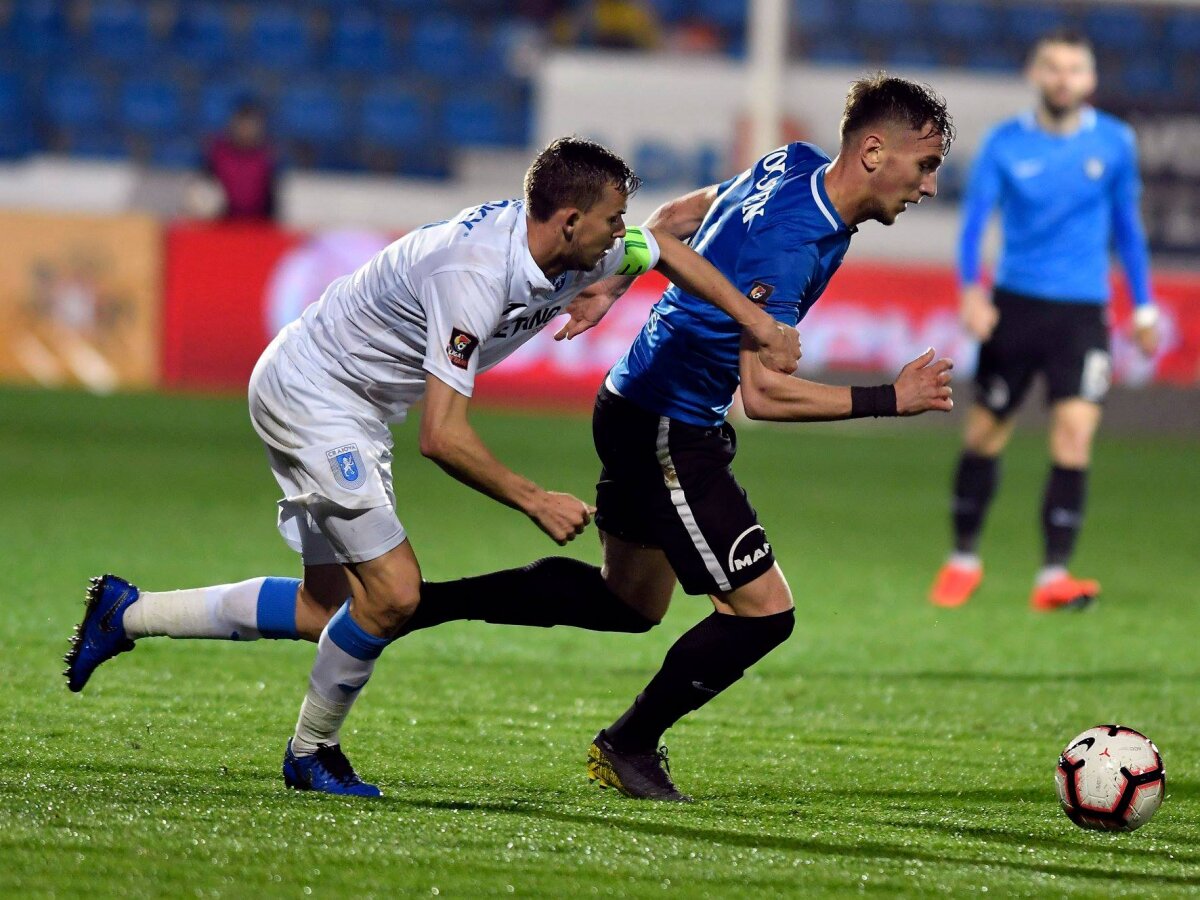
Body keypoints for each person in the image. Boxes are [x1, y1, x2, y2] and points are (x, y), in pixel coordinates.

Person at [64, 137, 800, 797]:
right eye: (612, 219)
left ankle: (126, 611)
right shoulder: (474, 272)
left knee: (327, 610)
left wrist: (749, 320)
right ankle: (311, 753)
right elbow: (442, 437)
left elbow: (665, 247)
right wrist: (532, 497)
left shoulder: (587, 245)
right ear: (569, 219)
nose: (622, 233)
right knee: (392, 594)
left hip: (350, 401)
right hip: (315, 391)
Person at [928, 32, 1160, 612]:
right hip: (1016, 307)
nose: (1063, 78)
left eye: (1074, 69)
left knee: (1075, 435)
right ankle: (963, 559)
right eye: (1053, 68)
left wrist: (1145, 304)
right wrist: (971, 292)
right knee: (986, 433)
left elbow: (1127, 229)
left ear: (1090, 79)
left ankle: (1053, 576)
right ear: (1036, 73)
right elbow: (974, 224)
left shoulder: (1114, 142)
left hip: (1083, 313)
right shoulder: (1006, 144)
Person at [205, 100, 277, 221]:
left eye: (250, 126)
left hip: (259, 226)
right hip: (222, 225)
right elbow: (205, 190)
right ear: (233, 126)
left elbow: (273, 199)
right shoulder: (217, 154)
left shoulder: (268, 157)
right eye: (242, 125)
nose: (246, 131)